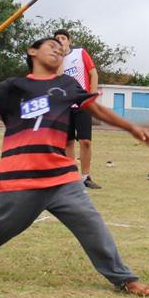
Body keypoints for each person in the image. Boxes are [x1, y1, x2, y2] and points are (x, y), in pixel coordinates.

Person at [0, 38, 149, 297]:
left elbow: (96, 109)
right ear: (32, 51)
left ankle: (124, 278)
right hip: (22, 176)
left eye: (61, 48)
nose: (58, 49)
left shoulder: (68, 85)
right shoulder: (14, 86)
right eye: (51, 46)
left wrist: (131, 127)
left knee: (92, 225)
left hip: (61, 177)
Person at [54, 29, 101, 189]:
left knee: (85, 141)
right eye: (57, 39)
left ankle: (86, 176)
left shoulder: (80, 53)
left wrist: (92, 95)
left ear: (69, 40)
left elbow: (93, 73)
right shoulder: (55, 59)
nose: (60, 40)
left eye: (63, 38)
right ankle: (71, 178)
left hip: (82, 103)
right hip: (65, 106)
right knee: (67, 143)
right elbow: (58, 77)